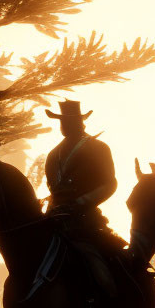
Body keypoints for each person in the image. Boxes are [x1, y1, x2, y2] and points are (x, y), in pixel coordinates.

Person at [44, 100, 121, 296]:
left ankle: (116, 304)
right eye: (62, 121)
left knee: (104, 270)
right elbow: (52, 187)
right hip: (53, 221)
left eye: (68, 121)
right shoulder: (53, 154)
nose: (63, 126)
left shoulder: (99, 148)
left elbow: (110, 184)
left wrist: (81, 203)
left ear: (79, 122)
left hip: (86, 221)